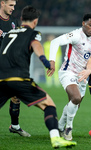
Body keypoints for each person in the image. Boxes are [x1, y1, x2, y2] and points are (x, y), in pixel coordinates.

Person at [0, 5, 77, 148]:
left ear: (21, 19)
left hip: (1, 79)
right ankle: (55, 138)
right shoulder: (33, 33)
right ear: (35, 21)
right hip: (19, 79)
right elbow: (36, 45)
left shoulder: (8, 34)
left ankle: (15, 125)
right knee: (49, 104)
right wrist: (46, 62)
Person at [48, 13, 91, 141]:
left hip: (82, 76)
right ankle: (68, 128)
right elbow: (55, 42)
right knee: (76, 97)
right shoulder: (75, 35)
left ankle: (59, 126)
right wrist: (52, 61)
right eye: (90, 25)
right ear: (83, 23)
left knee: (74, 104)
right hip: (68, 72)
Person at [0, 0, 30, 137]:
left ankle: (15, 126)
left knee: (15, 95)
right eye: (11, 5)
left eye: (14, 5)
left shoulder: (14, 22)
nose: (13, 8)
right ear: (2, 3)